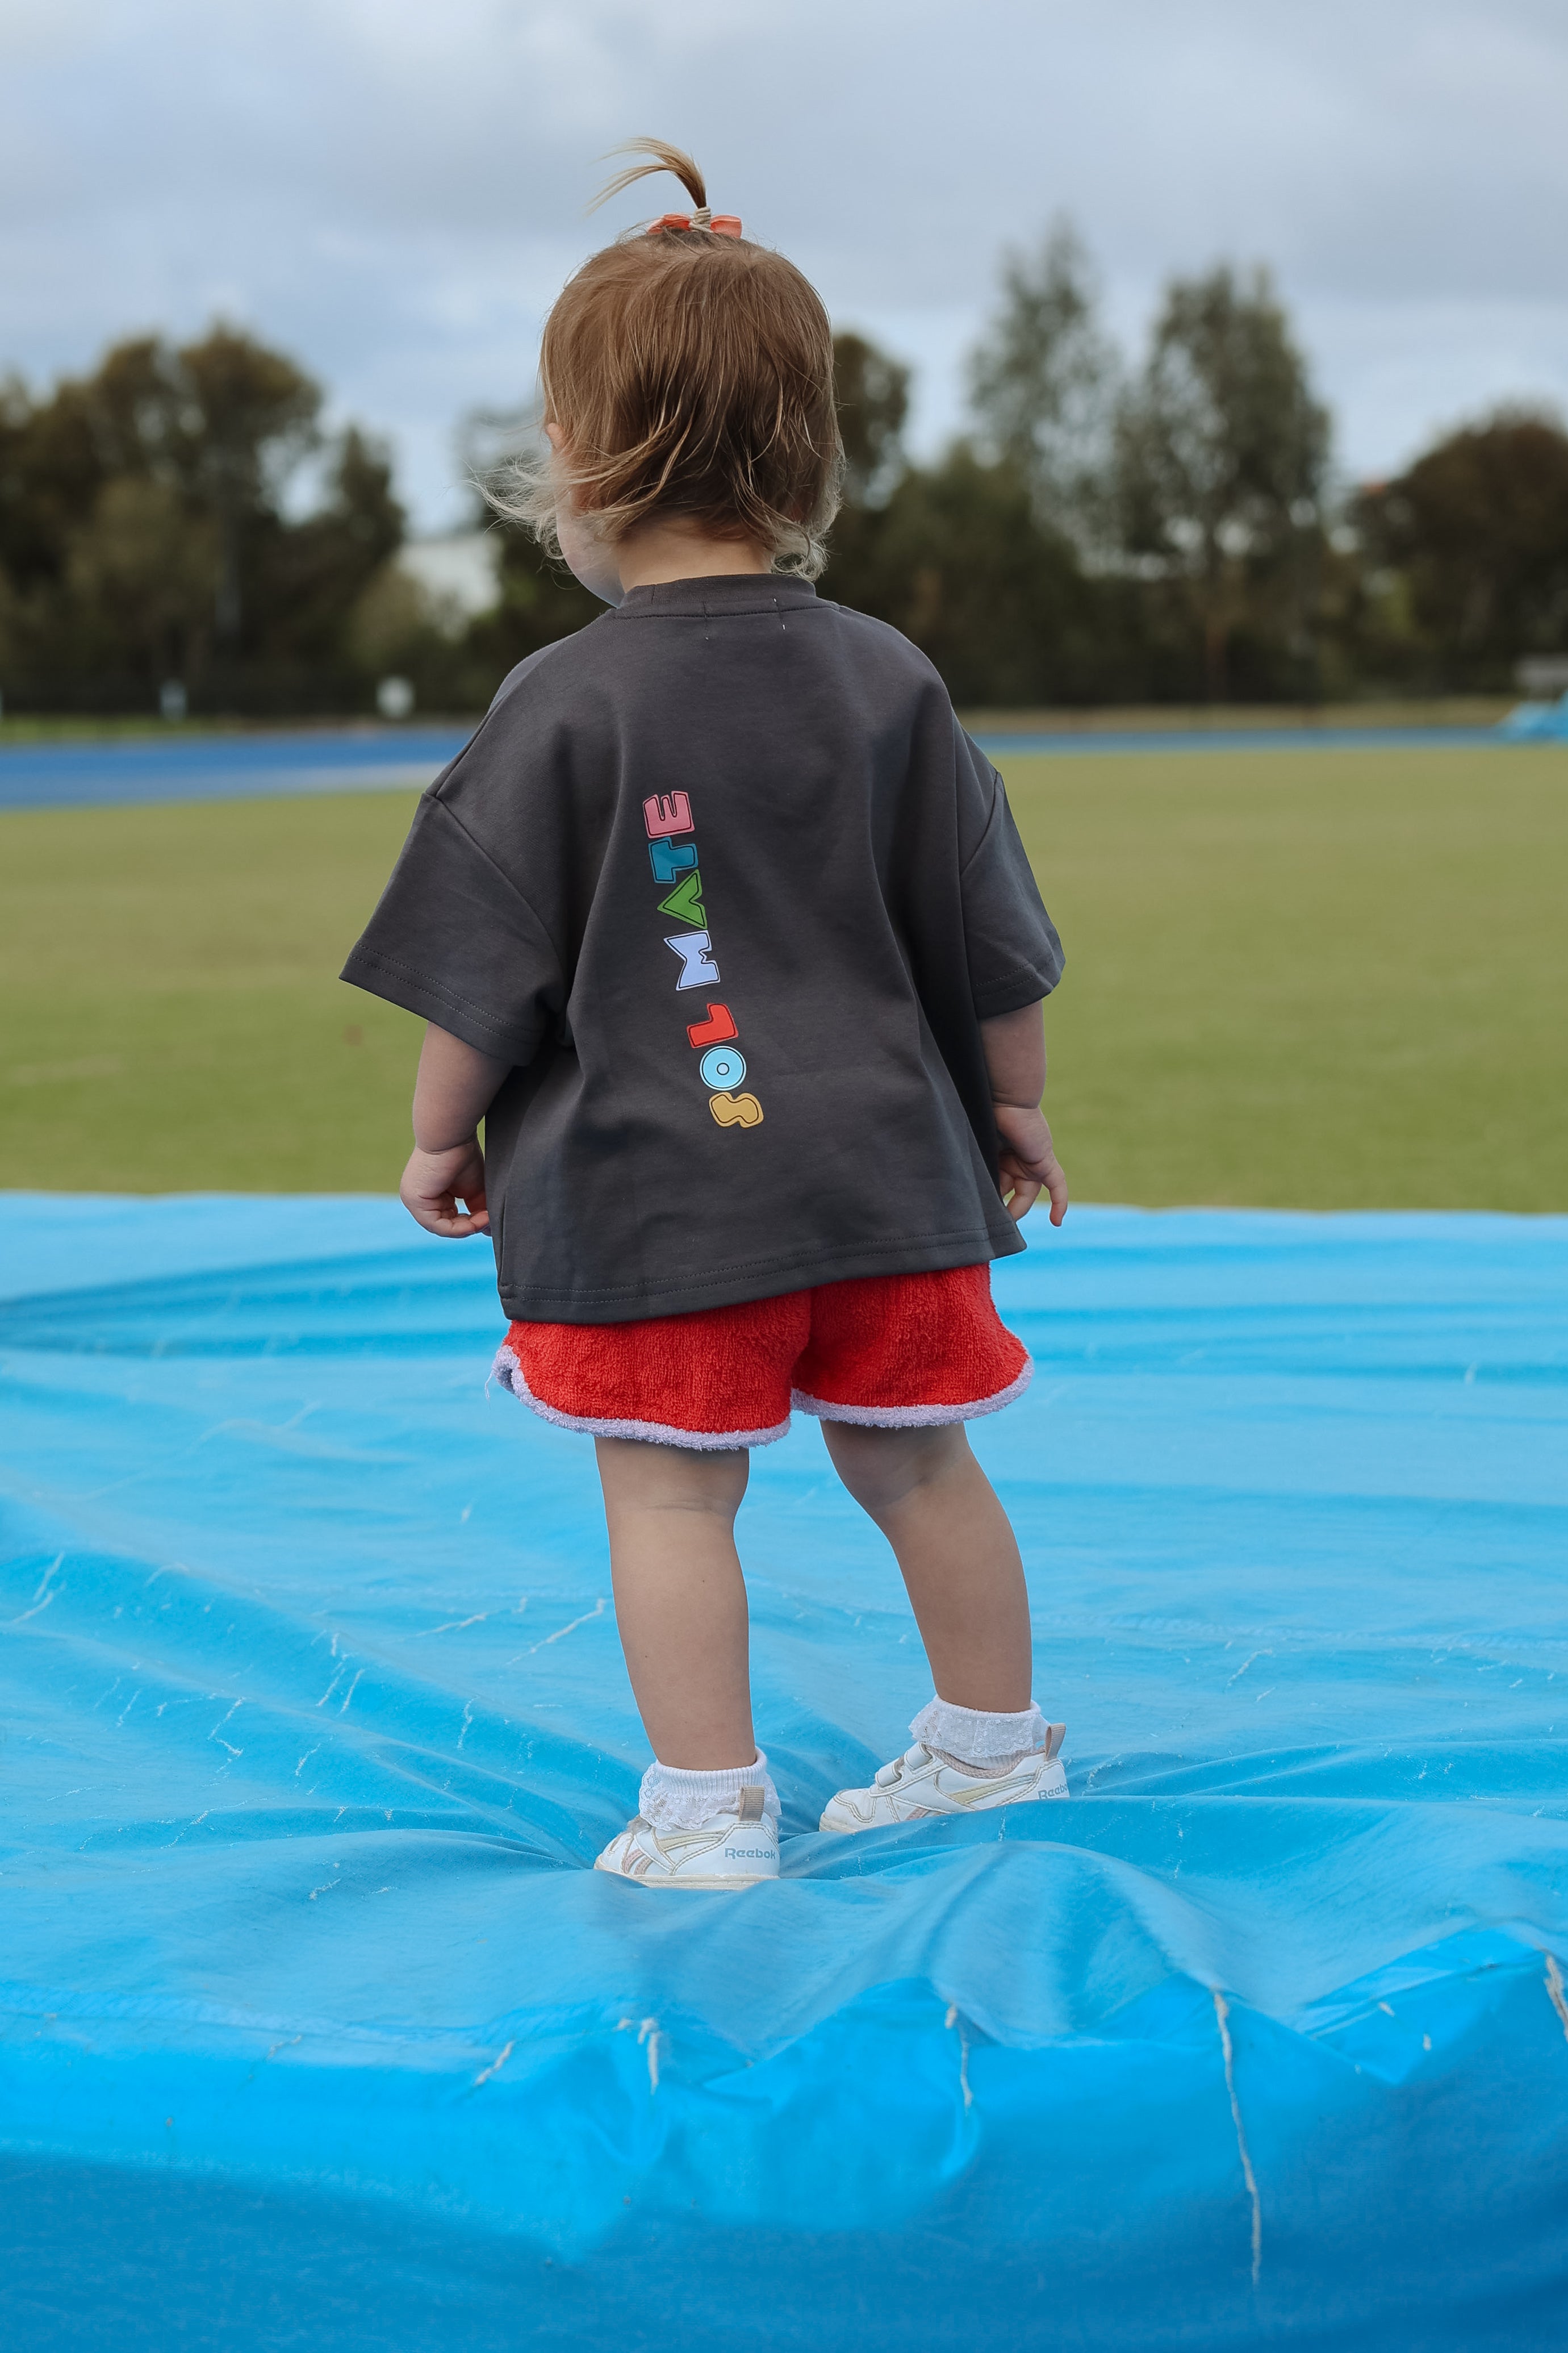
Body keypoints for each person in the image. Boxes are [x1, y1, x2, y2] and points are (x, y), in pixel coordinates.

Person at [342, 141, 1071, 1891]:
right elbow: (991, 939)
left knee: (672, 1495)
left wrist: (443, 1134)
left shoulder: (557, 703)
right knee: (923, 1466)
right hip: (888, 1184)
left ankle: (705, 1808)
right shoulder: (888, 677)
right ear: (805, 454)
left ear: (581, 460)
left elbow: (480, 962)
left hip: (666, 1207)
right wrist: (1016, 1111)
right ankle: (991, 1750)